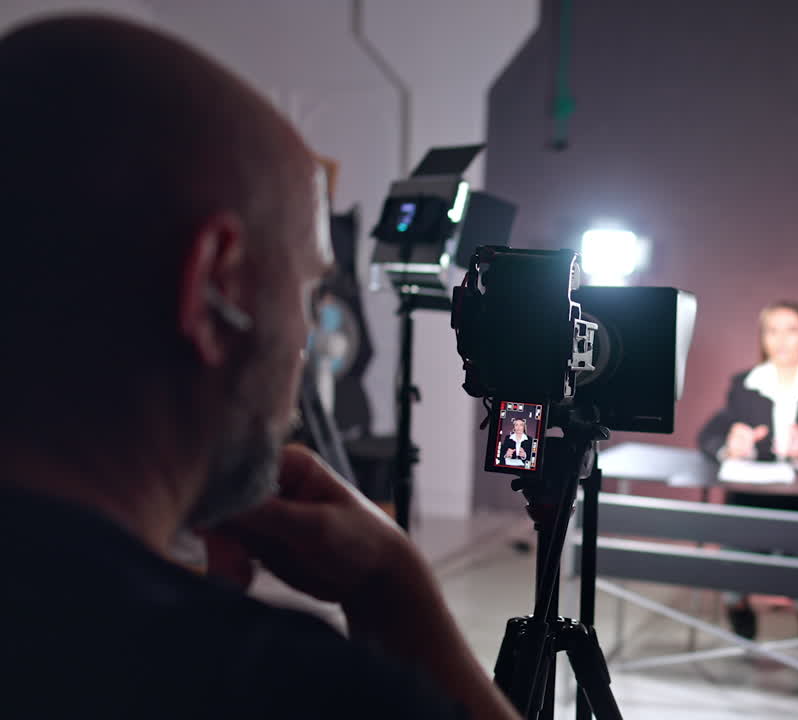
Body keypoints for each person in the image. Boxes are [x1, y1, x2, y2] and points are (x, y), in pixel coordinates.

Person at [0, 15, 517, 720]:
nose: (306, 332)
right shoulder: (283, 689)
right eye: (307, 287)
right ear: (218, 288)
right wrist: (396, 592)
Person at [697, 300, 798, 655]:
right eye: (772, 330)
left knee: (794, 550)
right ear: (763, 338)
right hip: (752, 501)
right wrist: (730, 444)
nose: (782, 340)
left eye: (791, 330)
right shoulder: (744, 384)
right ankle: (738, 607)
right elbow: (708, 436)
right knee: (735, 555)